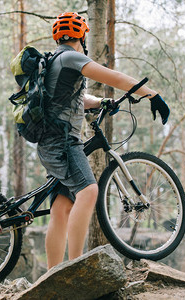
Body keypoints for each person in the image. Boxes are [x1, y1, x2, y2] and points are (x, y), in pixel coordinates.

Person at [40, 12, 170, 269]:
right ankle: (74, 269)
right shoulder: (72, 57)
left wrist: (102, 102)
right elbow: (116, 78)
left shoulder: (55, 60)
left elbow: (77, 100)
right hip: (63, 141)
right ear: (82, 35)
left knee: (62, 206)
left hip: (50, 140)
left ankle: (52, 276)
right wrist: (151, 94)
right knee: (88, 192)